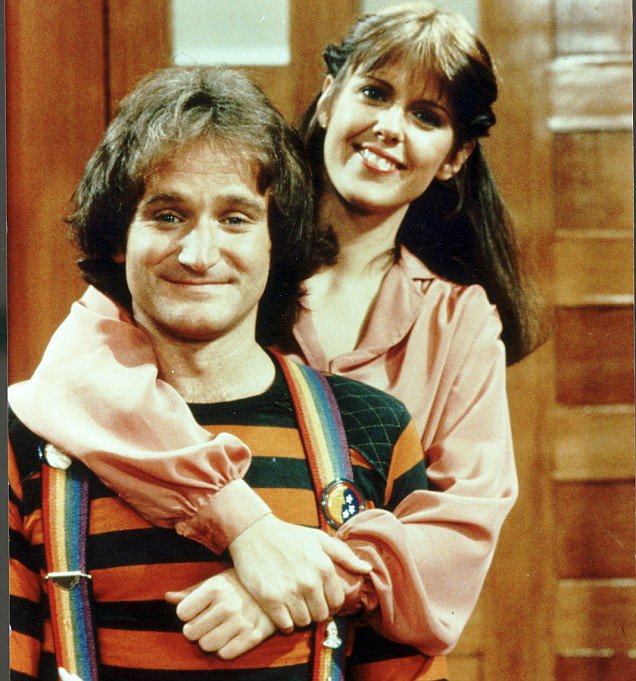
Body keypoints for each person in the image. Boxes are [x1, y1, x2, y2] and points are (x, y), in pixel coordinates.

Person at [10, 3, 543, 679]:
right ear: (329, 96)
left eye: (426, 115)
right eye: (374, 92)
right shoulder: (211, 275)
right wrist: (246, 527)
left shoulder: (457, 322)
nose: (389, 127)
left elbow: (460, 527)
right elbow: (75, 380)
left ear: (455, 156)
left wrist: (291, 580)